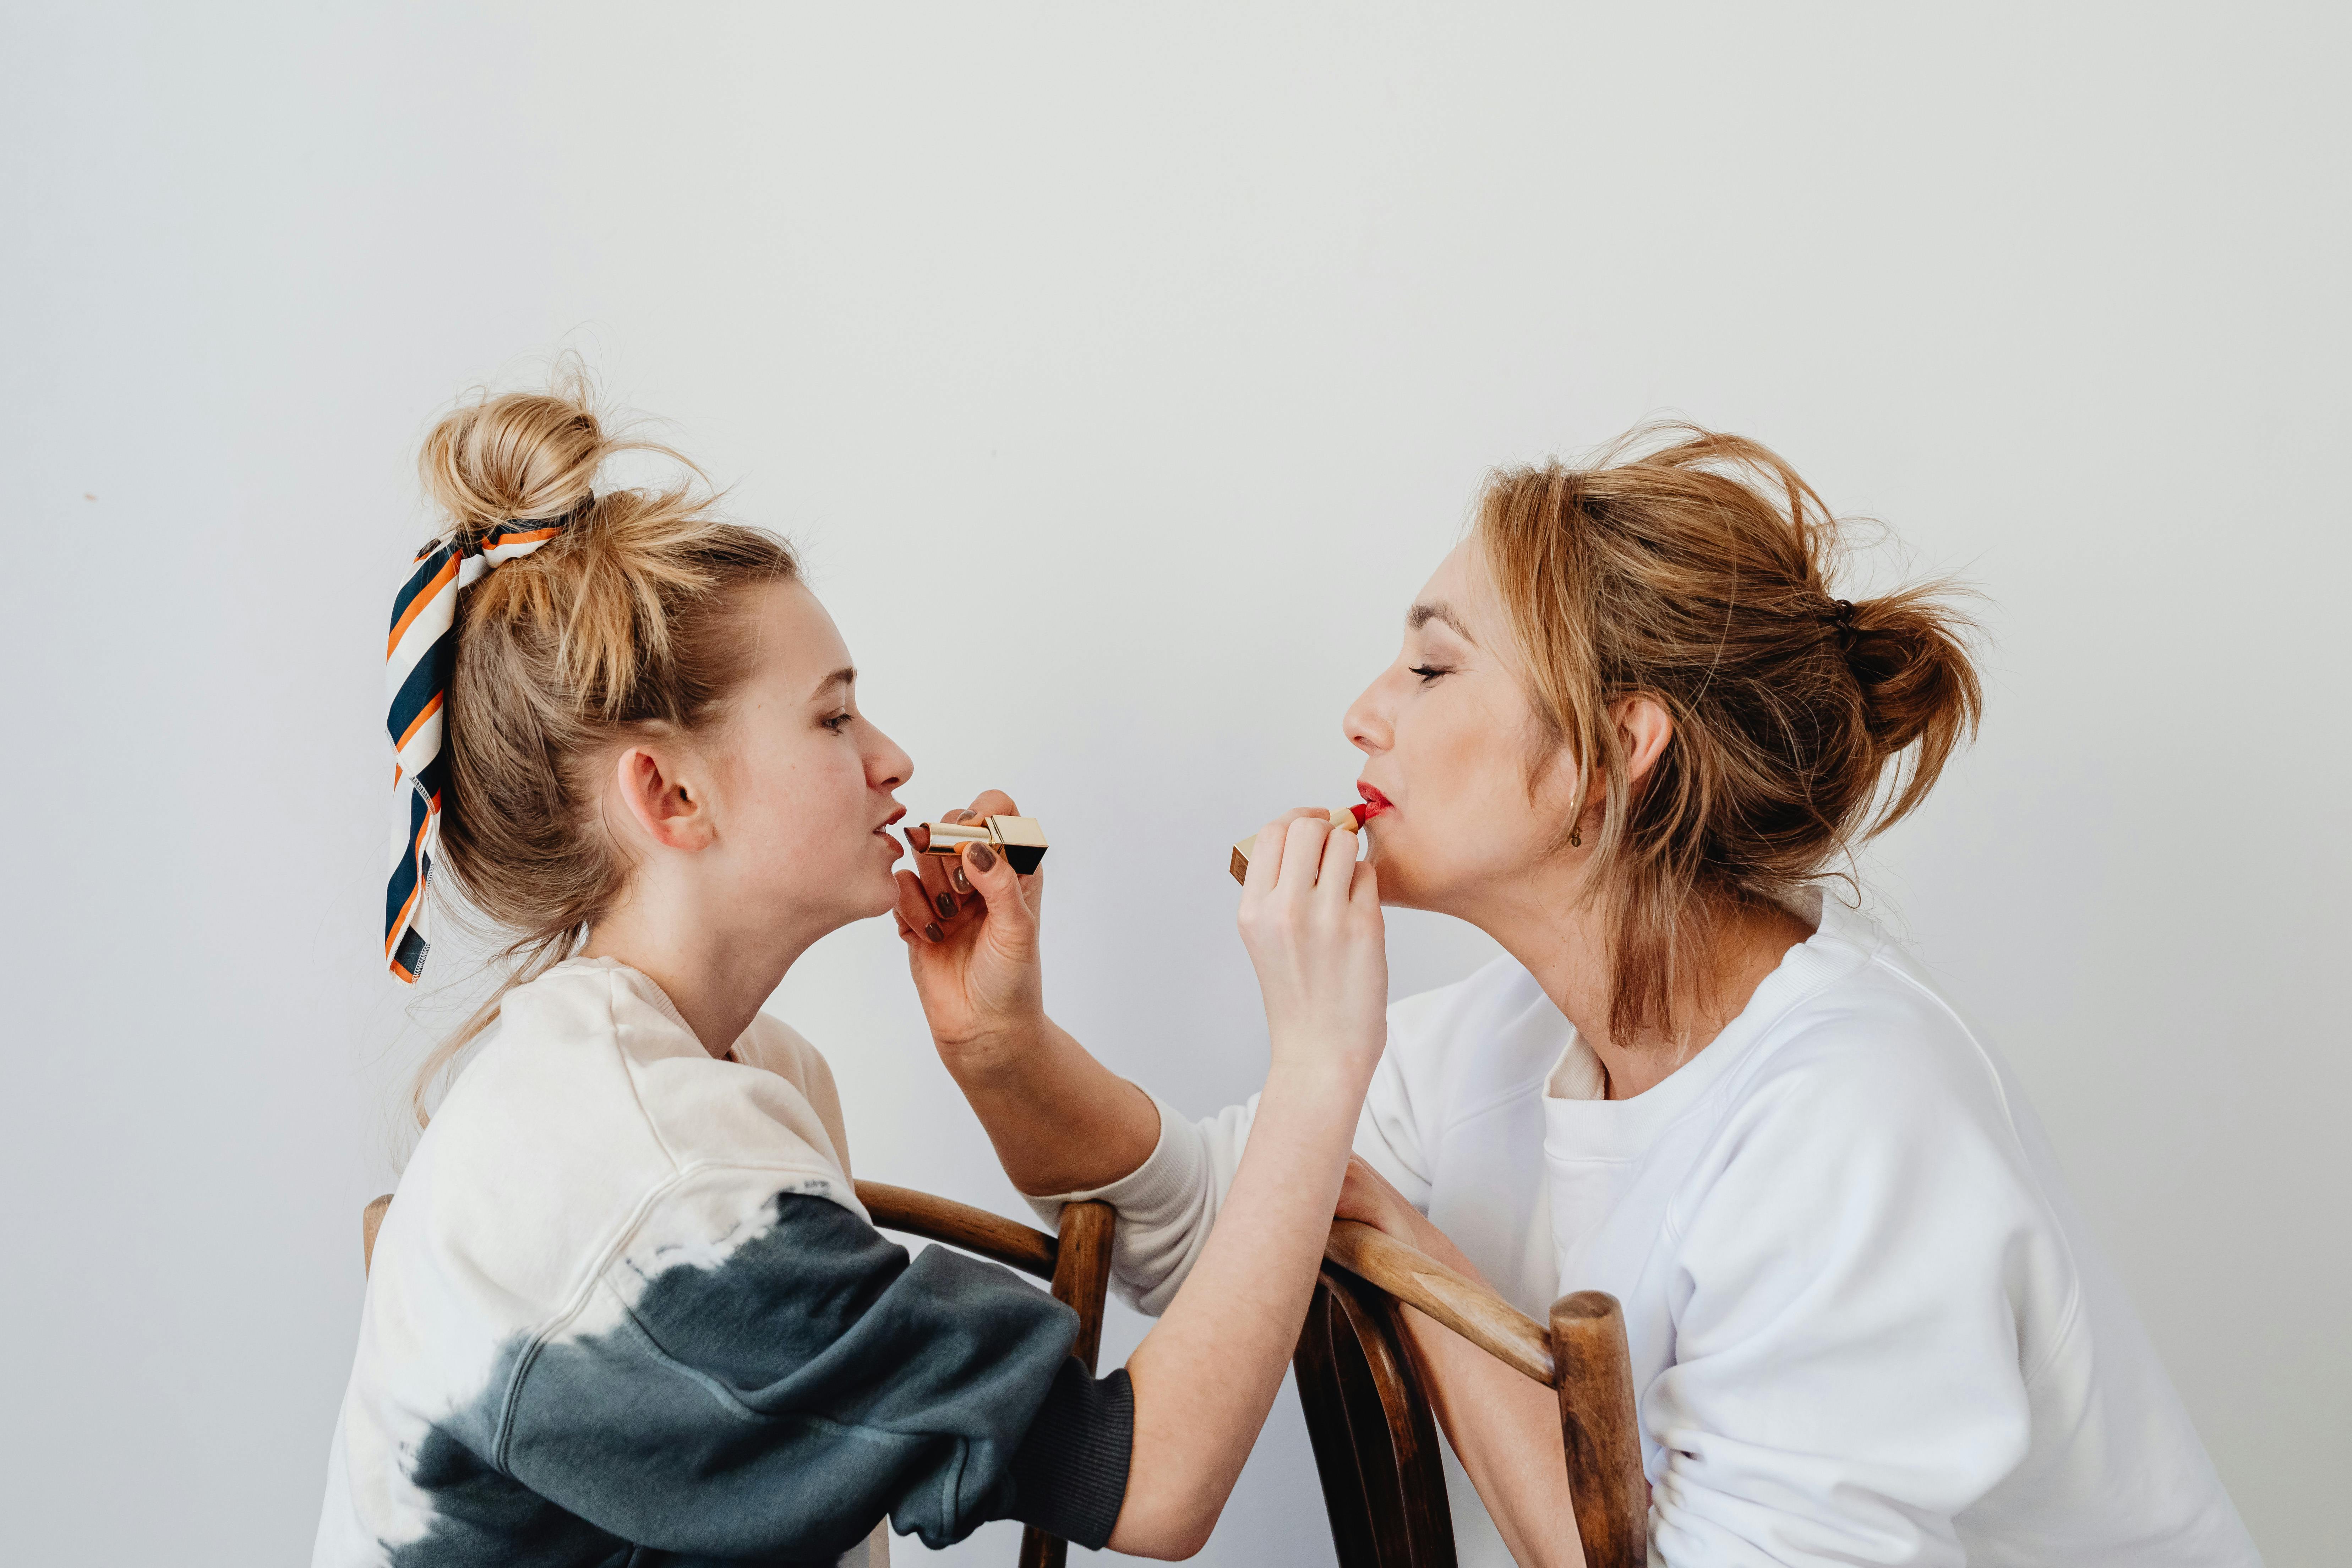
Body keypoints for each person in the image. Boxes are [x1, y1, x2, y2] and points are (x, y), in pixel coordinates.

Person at [902, 428, 2262, 1566]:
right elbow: (1207, 1234)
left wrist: (1404, 1244)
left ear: (1619, 747)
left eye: (1432, 666)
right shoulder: (1510, 1040)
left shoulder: (1854, 1115)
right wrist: (999, 1042)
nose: (1363, 714)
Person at [315, 375, 1388, 1566]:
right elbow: (1151, 1477)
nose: (894, 761)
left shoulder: (735, 1074)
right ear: (668, 794)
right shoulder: (663, 1183)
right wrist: (1320, 1058)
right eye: (833, 720)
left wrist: (994, 1042)